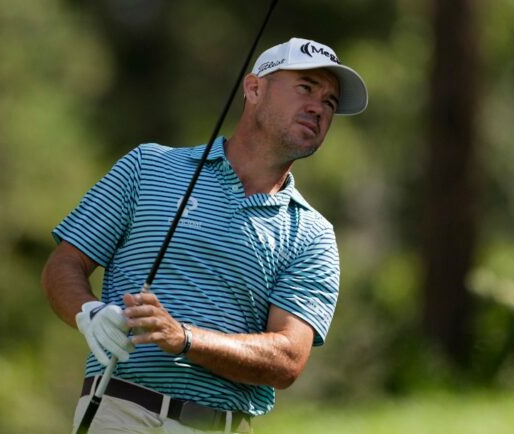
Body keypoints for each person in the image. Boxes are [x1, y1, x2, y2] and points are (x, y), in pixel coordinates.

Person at [41, 37, 368, 433]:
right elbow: (65, 262)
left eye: (330, 102)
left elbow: (287, 359)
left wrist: (184, 338)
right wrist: (88, 312)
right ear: (254, 88)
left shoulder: (312, 233)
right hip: (119, 412)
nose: (319, 108)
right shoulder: (148, 166)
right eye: (306, 88)